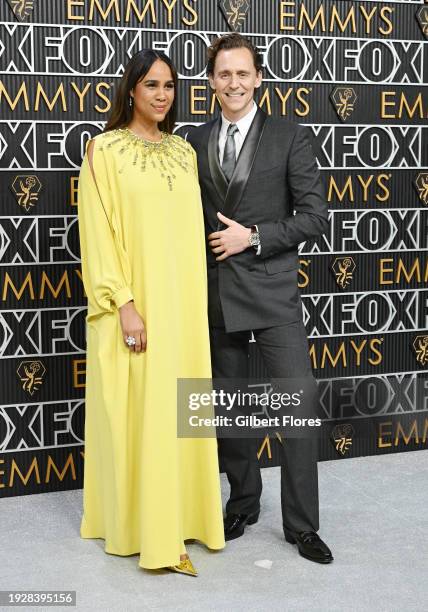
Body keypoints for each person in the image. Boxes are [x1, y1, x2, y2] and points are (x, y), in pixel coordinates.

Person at [77, 49, 225, 576]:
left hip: (184, 308)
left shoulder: (184, 152)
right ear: (131, 91)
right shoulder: (104, 150)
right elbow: (98, 233)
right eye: (151, 85)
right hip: (136, 307)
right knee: (142, 414)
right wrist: (125, 305)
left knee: (180, 413)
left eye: (169, 85)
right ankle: (144, 528)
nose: (162, 95)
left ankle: (183, 518)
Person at [187, 33, 333, 564]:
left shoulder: (290, 136)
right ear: (211, 82)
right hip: (218, 293)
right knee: (230, 410)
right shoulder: (194, 140)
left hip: (272, 291)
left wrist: (253, 236)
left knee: (296, 405)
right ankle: (243, 503)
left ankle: (302, 526)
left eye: (243, 73)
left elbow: (316, 217)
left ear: (259, 79)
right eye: (223, 74)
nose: (234, 83)